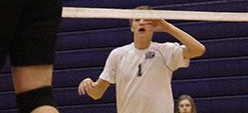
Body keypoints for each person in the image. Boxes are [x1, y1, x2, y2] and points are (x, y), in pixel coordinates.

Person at [77, 6, 206, 113]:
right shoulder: (117, 54)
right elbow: (97, 93)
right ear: (132, 27)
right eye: (137, 19)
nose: (142, 22)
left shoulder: (166, 51)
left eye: (147, 20)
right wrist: (90, 86)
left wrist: (167, 27)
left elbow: (198, 50)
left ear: (154, 25)